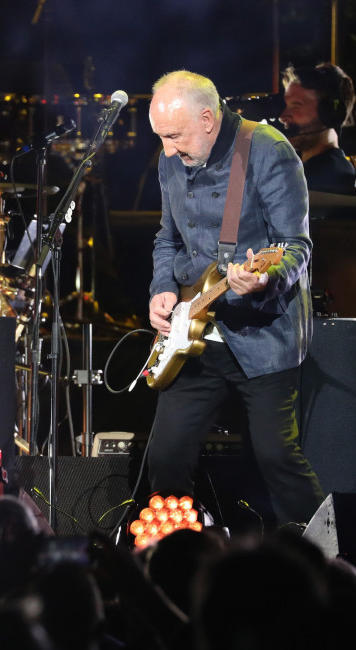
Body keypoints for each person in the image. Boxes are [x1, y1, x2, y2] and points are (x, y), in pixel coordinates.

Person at [147, 70, 325, 527]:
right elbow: (167, 239)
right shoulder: (171, 157)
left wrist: (265, 280)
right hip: (194, 334)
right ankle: (174, 556)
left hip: (264, 334)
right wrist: (162, 288)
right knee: (165, 458)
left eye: (175, 136)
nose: (168, 150)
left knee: (276, 458)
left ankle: (329, 558)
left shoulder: (268, 150)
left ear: (207, 119)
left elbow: (296, 246)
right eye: (161, 137)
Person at [279, 62, 356, 194]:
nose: (283, 116)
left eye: (296, 105)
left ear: (329, 113)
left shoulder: (317, 178)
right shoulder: (337, 167)